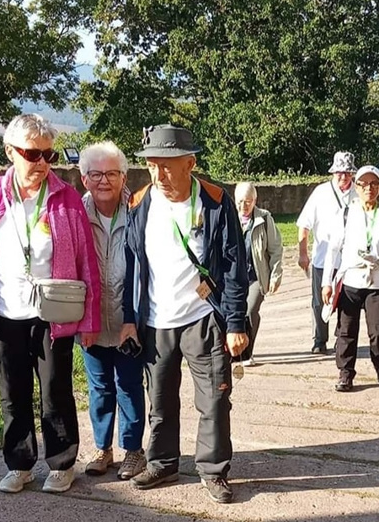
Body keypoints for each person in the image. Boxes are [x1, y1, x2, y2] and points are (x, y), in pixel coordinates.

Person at [0, 114, 101, 494]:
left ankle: (61, 463)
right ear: (10, 152)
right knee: (13, 392)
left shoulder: (66, 197)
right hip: (4, 312)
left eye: (48, 155)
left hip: (52, 314)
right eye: (31, 153)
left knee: (56, 391)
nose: (41, 163)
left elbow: (86, 262)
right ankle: (19, 463)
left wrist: (89, 320)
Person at [120, 124, 248, 505]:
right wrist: (130, 316)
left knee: (213, 399)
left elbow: (233, 266)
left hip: (203, 318)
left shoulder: (214, 200)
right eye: (153, 165)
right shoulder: (140, 203)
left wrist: (236, 322)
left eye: (168, 164)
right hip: (156, 321)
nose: (159, 174)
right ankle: (163, 462)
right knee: (159, 400)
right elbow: (131, 264)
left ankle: (213, 470)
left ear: (190, 163)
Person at [79, 141, 146, 480]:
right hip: (90, 320)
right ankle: (103, 448)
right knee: (99, 386)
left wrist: (134, 317)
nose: (104, 180)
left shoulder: (137, 212)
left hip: (128, 320)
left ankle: (133, 450)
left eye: (112, 173)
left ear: (124, 176)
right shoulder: (76, 214)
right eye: (96, 173)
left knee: (129, 385)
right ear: (84, 178)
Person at [322, 166, 379, 392]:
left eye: (374, 184)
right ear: (356, 187)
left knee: (378, 330)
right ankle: (345, 373)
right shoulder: (346, 214)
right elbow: (333, 250)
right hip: (351, 280)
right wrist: (326, 282)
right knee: (346, 331)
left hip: (378, 281)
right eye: (364, 184)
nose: (369, 188)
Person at [297, 151, 358, 354]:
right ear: (333, 172)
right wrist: (303, 253)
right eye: (340, 172)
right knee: (318, 301)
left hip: (349, 260)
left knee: (346, 301)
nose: (344, 176)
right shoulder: (321, 193)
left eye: (348, 172)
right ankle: (319, 340)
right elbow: (304, 225)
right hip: (323, 258)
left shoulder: (358, 193)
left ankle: (342, 338)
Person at [234, 182, 283, 366]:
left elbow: (276, 248)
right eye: (240, 201)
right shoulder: (229, 217)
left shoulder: (264, 219)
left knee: (250, 309)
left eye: (248, 201)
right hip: (235, 278)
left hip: (256, 276)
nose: (243, 206)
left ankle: (247, 353)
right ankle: (233, 350)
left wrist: (276, 274)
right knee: (235, 312)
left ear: (255, 200)